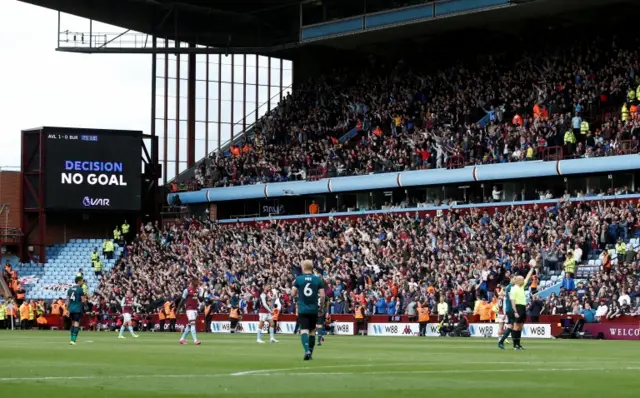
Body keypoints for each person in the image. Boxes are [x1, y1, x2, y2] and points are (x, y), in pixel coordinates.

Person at [291, 259, 325, 361]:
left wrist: (298, 293)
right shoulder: (318, 279)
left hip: (303, 308)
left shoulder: (299, 279)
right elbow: (322, 295)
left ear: (303, 267)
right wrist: (321, 307)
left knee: (304, 330)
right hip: (314, 309)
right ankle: (310, 351)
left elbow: (292, 293)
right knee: (312, 331)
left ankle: (307, 350)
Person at [509, 265, 538, 350]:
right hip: (517, 307)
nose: (523, 280)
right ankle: (515, 345)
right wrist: (515, 311)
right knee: (516, 326)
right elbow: (512, 301)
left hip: (522, 307)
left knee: (520, 326)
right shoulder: (513, 289)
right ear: (517, 281)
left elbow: (528, 277)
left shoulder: (521, 286)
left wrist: (532, 268)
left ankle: (518, 344)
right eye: (521, 279)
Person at [178, 278, 203, 345]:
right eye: (196, 282)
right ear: (192, 283)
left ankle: (182, 339)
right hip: (189, 309)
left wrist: (202, 293)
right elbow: (182, 300)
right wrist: (178, 309)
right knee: (193, 324)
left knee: (189, 326)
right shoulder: (187, 290)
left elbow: (201, 300)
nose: (197, 284)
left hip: (195, 309)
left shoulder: (198, 290)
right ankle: (195, 340)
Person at [67, 276, 85, 345]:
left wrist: (68, 309)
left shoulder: (70, 289)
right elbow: (83, 300)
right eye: (82, 281)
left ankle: (71, 339)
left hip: (71, 309)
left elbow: (67, 301)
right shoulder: (80, 289)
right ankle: (73, 340)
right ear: (79, 281)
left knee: (73, 323)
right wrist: (84, 303)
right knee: (76, 323)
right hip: (77, 308)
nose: (83, 282)